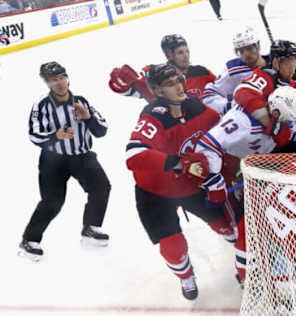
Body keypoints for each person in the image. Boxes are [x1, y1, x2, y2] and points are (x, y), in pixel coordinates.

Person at [194, 85, 296, 286]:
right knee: (248, 224)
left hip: (265, 170)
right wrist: (214, 179)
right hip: (240, 175)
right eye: (285, 120)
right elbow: (206, 145)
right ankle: (249, 274)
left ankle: (263, 269)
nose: (289, 125)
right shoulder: (240, 121)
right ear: (275, 112)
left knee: (285, 211)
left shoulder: (280, 120)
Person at [125, 63, 235, 301]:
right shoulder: (153, 117)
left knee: (227, 226)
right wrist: (177, 162)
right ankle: (186, 277)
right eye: (170, 84)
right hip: (155, 192)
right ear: (158, 91)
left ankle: (242, 252)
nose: (178, 86)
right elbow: (133, 155)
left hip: (192, 185)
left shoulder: (196, 107)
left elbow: (223, 131)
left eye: (178, 81)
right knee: (173, 248)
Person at [20, 62, 111, 262]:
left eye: (62, 77)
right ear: (47, 83)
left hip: (82, 156)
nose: (60, 83)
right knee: (52, 202)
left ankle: (90, 229)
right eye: (54, 80)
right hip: (54, 161)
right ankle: (29, 240)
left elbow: (102, 130)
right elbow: (34, 134)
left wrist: (87, 118)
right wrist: (56, 136)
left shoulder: (82, 101)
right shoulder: (41, 106)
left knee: (101, 187)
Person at [109, 34, 216, 102]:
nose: (186, 56)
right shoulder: (154, 75)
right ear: (169, 55)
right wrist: (120, 83)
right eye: (180, 52)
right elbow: (127, 90)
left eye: (187, 51)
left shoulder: (202, 72)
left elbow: (222, 89)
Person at [202, 26, 269, 115]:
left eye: (249, 48)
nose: (246, 54)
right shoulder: (233, 69)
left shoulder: (275, 62)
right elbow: (209, 95)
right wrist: (230, 106)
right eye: (241, 51)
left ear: (258, 46)